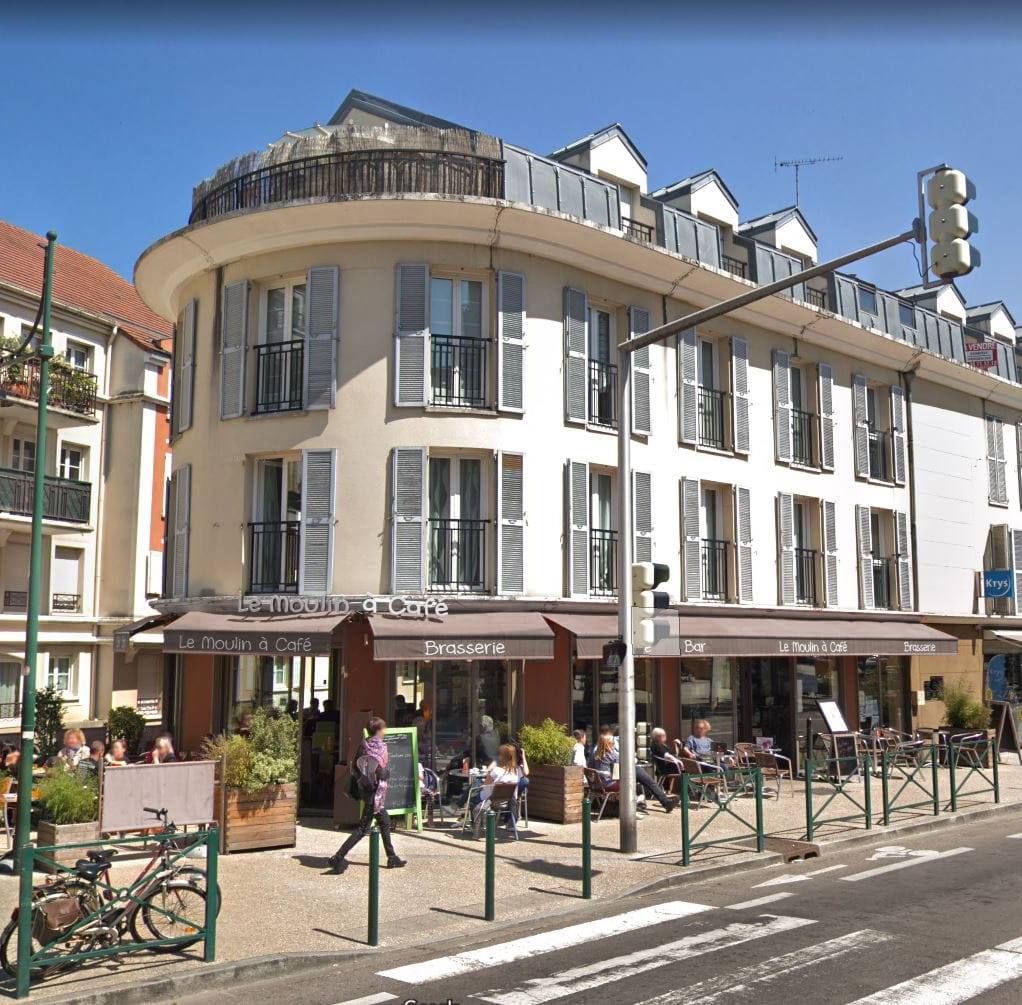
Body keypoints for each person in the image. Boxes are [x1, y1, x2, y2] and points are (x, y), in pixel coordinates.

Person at [329, 717, 406, 874]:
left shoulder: (364, 745)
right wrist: (384, 773)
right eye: (383, 728)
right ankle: (337, 857)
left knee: (384, 821)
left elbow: (356, 766)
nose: (385, 731)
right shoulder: (381, 747)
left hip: (366, 789)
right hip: (375, 793)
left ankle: (392, 857)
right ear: (378, 730)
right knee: (362, 829)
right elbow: (381, 771)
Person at [588, 731, 676, 813]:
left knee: (637, 772)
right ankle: (645, 800)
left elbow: (590, 766)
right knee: (638, 771)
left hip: (596, 785)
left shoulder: (595, 754)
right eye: (612, 743)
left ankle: (658, 801)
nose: (614, 744)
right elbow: (627, 763)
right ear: (608, 743)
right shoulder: (611, 755)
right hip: (609, 785)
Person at [470, 743, 520, 838]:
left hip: (490, 800)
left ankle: (475, 828)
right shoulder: (516, 771)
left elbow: (486, 785)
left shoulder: (496, 770)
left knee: (472, 800)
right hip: (506, 801)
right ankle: (481, 826)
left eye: (499, 754)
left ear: (502, 756)